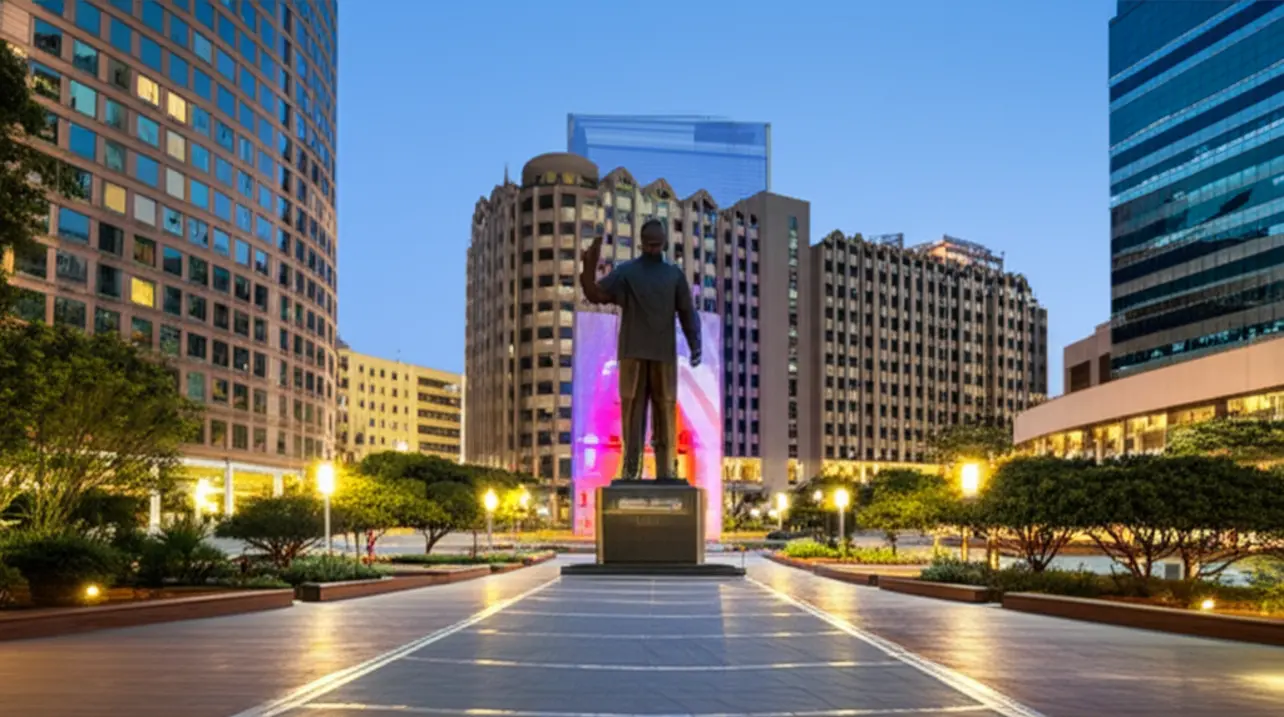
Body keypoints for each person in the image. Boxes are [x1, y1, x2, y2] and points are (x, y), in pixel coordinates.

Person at [580, 219, 701, 480]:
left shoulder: (644, 273)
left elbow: (687, 312)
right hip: (647, 353)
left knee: (646, 409)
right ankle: (652, 469)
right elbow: (688, 313)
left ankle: (648, 469)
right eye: (652, 243)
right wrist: (695, 345)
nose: (653, 247)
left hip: (646, 353)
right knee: (652, 408)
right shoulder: (655, 274)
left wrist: (695, 343)